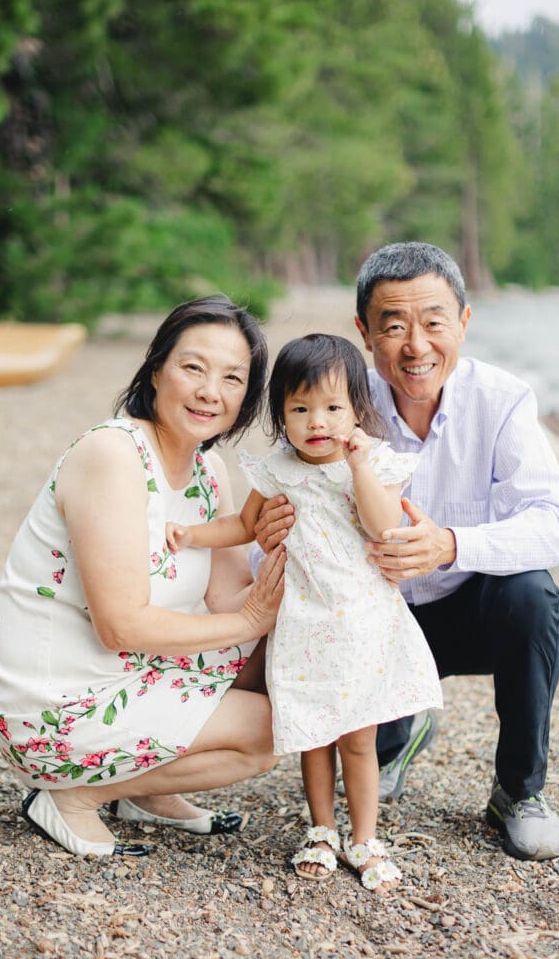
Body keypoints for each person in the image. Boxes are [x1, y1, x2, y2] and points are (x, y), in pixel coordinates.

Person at [254, 243, 559, 862]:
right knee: (365, 749)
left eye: (433, 321)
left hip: (466, 610)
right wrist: (267, 542)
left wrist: (451, 545)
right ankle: (404, 731)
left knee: (532, 593)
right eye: (393, 325)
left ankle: (519, 791)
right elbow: (280, 501)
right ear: (364, 333)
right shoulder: (332, 407)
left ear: (463, 321)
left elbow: (553, 524)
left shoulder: (502, 400)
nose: (416, 345)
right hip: (362, 623)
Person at [0, 295, 286, 858]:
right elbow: (120, 627)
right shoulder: (113, 455)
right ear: (156, 369)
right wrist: (252, 618)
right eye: (193, 367)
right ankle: (72, 795)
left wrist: (295, 554)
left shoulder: (207, 470)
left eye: (231, 378)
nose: (208, 391)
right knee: (266, 734)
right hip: (57, 700)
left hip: (132, 675)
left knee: (284, 667)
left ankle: (141, 791)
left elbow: (225, 602)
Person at [166, 334, 443, 893]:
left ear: (358, 411)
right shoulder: (277, 471)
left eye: (333, 408)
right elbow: (244, 526)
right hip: (303, 628)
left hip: (363, 626)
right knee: (313, 737)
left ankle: (365, 837)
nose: (318, 421)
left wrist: (360, 465)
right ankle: (321, 829)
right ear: (281, 416)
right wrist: (191, 534)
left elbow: (381, 525)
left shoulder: (374, 465)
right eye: (300, 409)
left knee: (359, 740)